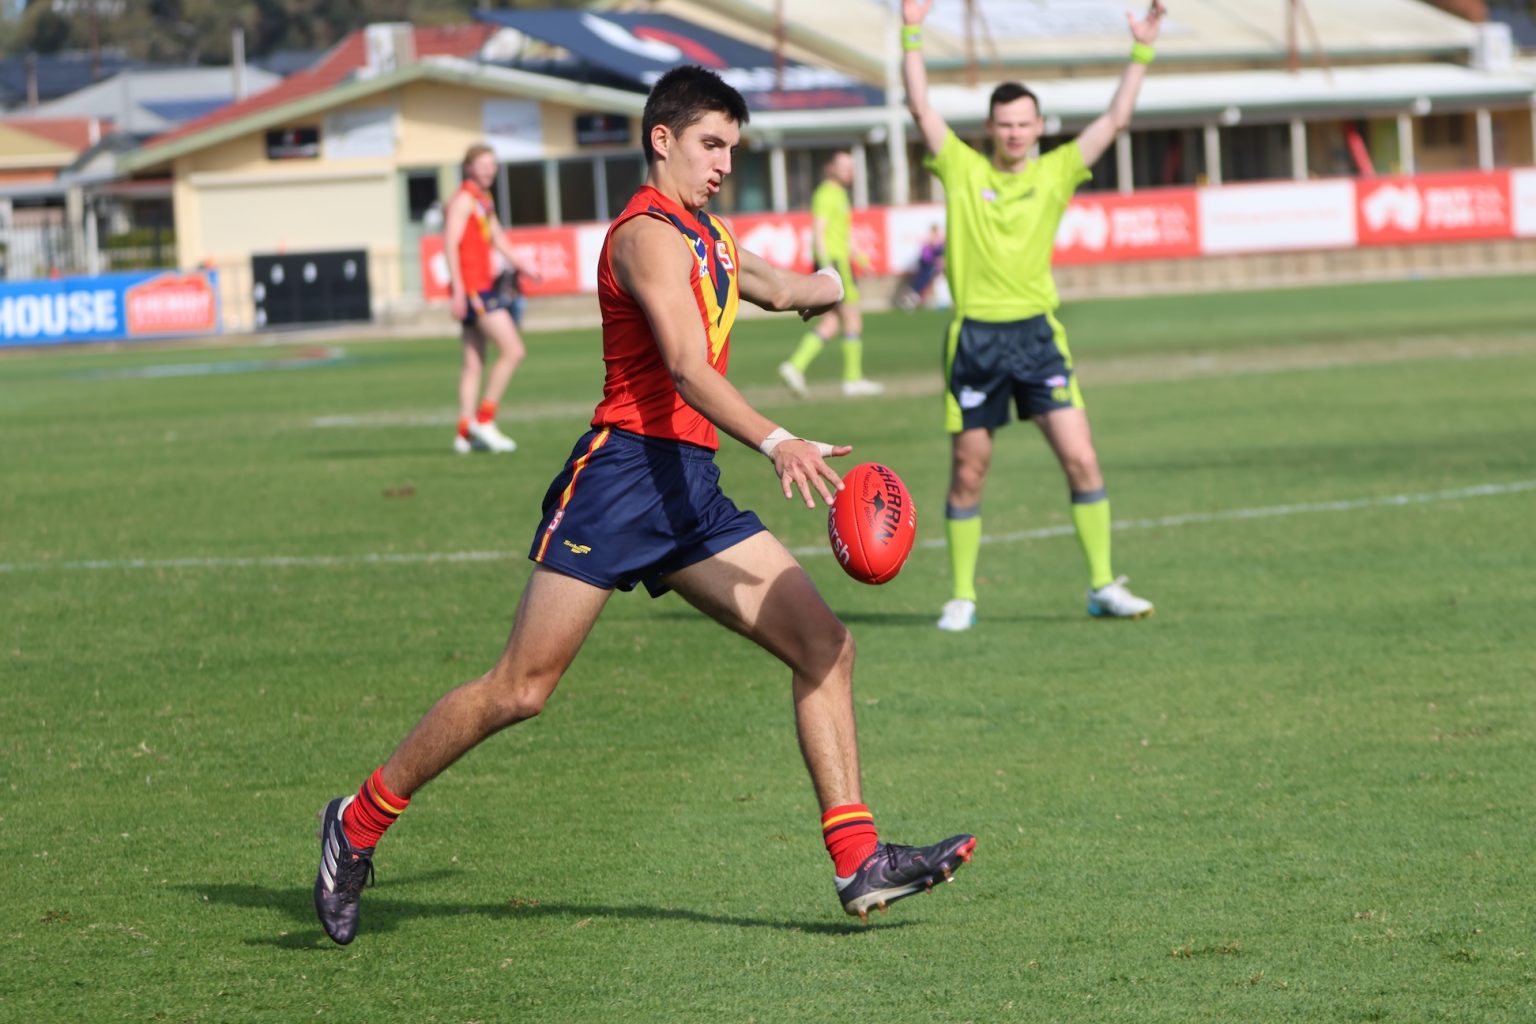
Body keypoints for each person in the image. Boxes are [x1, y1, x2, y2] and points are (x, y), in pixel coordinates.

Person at [314, 66, 975, 946]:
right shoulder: (645, 237)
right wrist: (779, 439)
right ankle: (355, 824)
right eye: (711, 144)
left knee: (824, 644)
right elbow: (689, 369)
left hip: (691, 493)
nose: (723, 164)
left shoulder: (707, 233)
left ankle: (857, 860)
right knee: (522, 689)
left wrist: (837, 281)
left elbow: (774, 287)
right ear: (661, 139)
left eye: (733, 149)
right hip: (621, 480)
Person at [902, 0, 1164, 631]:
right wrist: (912, 29)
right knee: (970, 469)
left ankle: (1102, 585)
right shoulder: (962, 169)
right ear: (991, 128)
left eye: (1024, 123)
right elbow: (921, 107)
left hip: (1038, 337)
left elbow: (1116, 119)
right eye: (1004, 123)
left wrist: (1141, 49)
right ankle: (962, 594)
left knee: (1082, 459)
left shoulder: (1057, 172)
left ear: (1040, 126)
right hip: (976, 339)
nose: (1015, 132)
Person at [444, 143, 543, 455]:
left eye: (493, 164)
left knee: (473, 364)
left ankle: (464, 433)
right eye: (483, 164)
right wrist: (459, 291)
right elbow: (449, 244)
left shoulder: (482, 199)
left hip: (477, 287)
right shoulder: (463, 200)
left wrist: (523, 265)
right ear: (469, 167)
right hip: (474, 289)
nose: (489, 169)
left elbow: (498, 237)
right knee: (513, 350)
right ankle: (485, 420)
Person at [777, 150, 884, 399]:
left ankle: (795, 365)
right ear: (832, 168)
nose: (850, 172)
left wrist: (861, 259)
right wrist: (827, 267)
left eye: (852, 167)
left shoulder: (839, 194)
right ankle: (852, 379)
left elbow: (844, 234)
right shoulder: (825, 194)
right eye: (845, 167)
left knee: (833, 322)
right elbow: (820, 230)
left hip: (841, 262)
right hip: (836, 264)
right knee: (853, 319)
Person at [898, 224, 945, 311]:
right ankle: (912, 298)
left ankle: (922, 299)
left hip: (931, 264)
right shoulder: (931, 240)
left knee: (928, 281)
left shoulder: (937, 240)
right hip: (927, 263)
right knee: (922, 280)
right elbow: (930, 253)